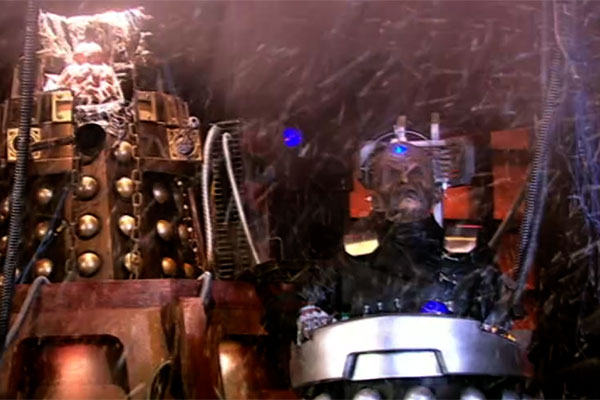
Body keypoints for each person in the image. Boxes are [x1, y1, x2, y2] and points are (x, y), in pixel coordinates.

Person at [297, 138, 504, 342]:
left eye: (417, 172)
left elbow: (497, 320)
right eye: (392, 174)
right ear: (375, 199)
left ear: (437, 193)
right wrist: (310, 314)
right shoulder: (349, 262)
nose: (405, 181)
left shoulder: (472, 260)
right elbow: (310, 302)